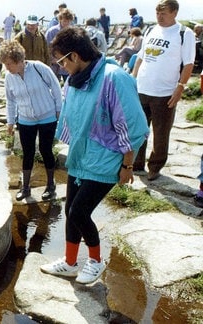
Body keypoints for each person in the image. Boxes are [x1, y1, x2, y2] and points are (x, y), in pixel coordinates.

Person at [41, 27, 149, 284]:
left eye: (62, 61)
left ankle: (96, 261)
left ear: (75, 56)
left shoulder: (114, 78)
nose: (61, 67)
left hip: (107, 159)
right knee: (69, 210)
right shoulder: (74, 81)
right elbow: (73, 116)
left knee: (79, 212)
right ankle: (69, 262)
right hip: (81, 155)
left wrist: (128, 165)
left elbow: (133, 126)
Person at [131, 0, 196, 181]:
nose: (159, 16)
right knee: (139, 128)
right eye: (157, 13)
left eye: (164, 13)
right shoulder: (150, 30)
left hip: (164, 92)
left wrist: (180, 87)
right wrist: (132, 79)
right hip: (142, 88)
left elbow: (189, 63)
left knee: (161, 132)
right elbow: (140, 57)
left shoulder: (184, 33)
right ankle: (137, 163)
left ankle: (155, 166)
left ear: (174, 12)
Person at [0, 40, 62, 201]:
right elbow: (10, 100)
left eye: (9, 64)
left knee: (46, 149)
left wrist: (59, 110)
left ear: (19, 60)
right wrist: (10, 121)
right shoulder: (9, 77)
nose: (7, 68)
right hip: (26, 118)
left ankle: (50, 185)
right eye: (4, 64)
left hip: (47, 115)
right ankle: (25, 188)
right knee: (27, 153)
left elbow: (55, 87)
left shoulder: (39, 68)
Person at [46, 8, 75, 82]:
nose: (66, 23)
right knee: (53, 85)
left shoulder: (73, 33)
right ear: (60, 19)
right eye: (65, 21)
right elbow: (46, 47)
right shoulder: (52, 31)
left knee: (69, 85)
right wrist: (53, 60)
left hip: (68, 65)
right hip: (54, 65)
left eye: (68, 21)